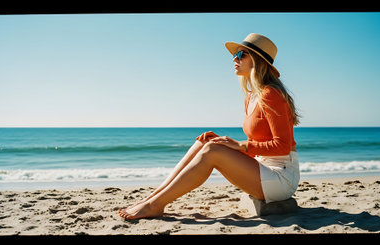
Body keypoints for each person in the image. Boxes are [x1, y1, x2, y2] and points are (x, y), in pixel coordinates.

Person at [118, 33, 300, 219]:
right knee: (205, 142)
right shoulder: (250, 97)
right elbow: (256, 145)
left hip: (281, 177)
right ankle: (151, 198)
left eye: (241, 55)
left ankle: (155, 205)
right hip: (262, 168)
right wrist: (226, 144)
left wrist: (238, 145)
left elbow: (283, 145)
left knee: (212, 150)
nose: (234, 59)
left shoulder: (271, 94)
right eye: (235, 55)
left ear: (257, 60)